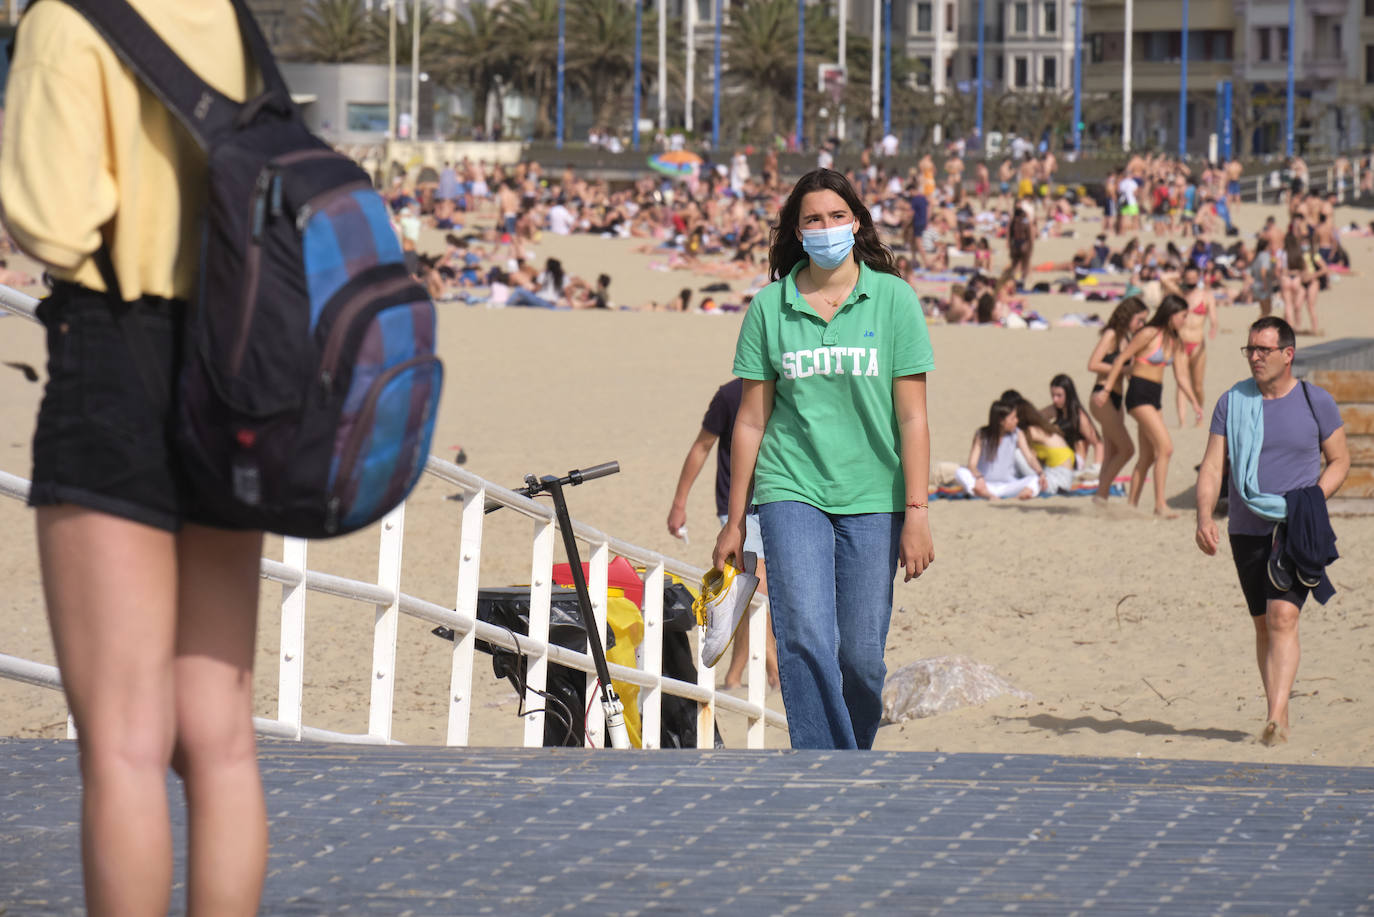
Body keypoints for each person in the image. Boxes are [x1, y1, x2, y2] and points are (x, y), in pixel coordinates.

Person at [0, 3, 269, 914]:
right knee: (222, 738)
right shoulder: (224, 16)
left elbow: (53, 222)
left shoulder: (63, 24)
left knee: (122, 743)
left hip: (116, 352)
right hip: (237, 366)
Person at [712, 168, 935, 750]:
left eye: (837, 216)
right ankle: (821, 771)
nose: (826, 228)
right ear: (796, 231)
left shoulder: (894, 299)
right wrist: (735, 522)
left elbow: (913, 417)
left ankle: (850, 760)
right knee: (805, 636)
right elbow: (752, 420)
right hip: (790, 490)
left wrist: (918, 511)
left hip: (875, 496)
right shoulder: (769, 307)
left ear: (857, 223)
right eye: (812, 219)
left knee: (861, 659)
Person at [1195, 317, 1349, 746]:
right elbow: (1212, 465)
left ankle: (1276, 716)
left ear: (1288, 354)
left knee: (1284, 617)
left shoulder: (1316, 401)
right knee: (1263, 623)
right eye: (1250, 350)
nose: (1255, 358)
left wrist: (1312, 500)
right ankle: (1278, 710)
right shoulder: (1233, 402)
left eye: (1263, 350)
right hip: (1246, 527)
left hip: (1295, 523)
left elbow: (1339, 460)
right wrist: (1204, 516)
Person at [667, 379, 779, 689]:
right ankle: (774, 667)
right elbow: (702, 446)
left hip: (782, 501)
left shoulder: (790, 386)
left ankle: (733, 675)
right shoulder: (729, 395)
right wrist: (679, 504)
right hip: (738, 507)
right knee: (759, 585)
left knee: (751, 588)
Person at [1093, 295, 1201, 517]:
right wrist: (1106, 390)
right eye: (1183, 316)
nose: (1185, 320)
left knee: (1148, 455)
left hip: (1155, 397)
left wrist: (1195, 403)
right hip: (1138, 395)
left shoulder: (1175, 341)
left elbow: (1181, 376)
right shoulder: (1148, 333)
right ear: (1171, 314)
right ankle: (1160, 504)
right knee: (1166, 448)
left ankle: (1131, 506)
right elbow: (1121, 358)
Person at [953, 399, 1046, 499]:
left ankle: (1019, 497)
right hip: (985, 485)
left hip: (1008, 485)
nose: (1017, 420)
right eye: (1013, 418)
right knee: (960, 472)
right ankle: (988, 495)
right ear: (1001, 421)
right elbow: (972, 465)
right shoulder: (982, 434)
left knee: (1035, 479)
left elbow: (1030, 458)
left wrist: (1040, 473)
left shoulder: (1017, 434)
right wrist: (979, 477)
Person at [1176, 263, 1217, 428]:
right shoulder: (1179, 295)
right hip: (1180, 343)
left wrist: (1213, 327)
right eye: (1188, 278)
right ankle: (1182, 422)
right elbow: (1164, 280)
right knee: (1181, 382)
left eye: (1194, 277)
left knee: (1197, 386)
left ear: (1198, 277)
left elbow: (1213, 318)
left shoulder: (1206, 296)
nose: (1191, 280)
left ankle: (1199, 414)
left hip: (1198, 343)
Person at [1043, 374, 1102, 471]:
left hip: (1074, 462)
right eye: (1053, 395)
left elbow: (1098, 443)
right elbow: (1035, 418)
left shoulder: (1078, 416)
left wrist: (1097, 467)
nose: (1055, 399)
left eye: (1059, 395)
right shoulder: (1055, 409)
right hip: (1057, 458)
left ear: (1068, 394)